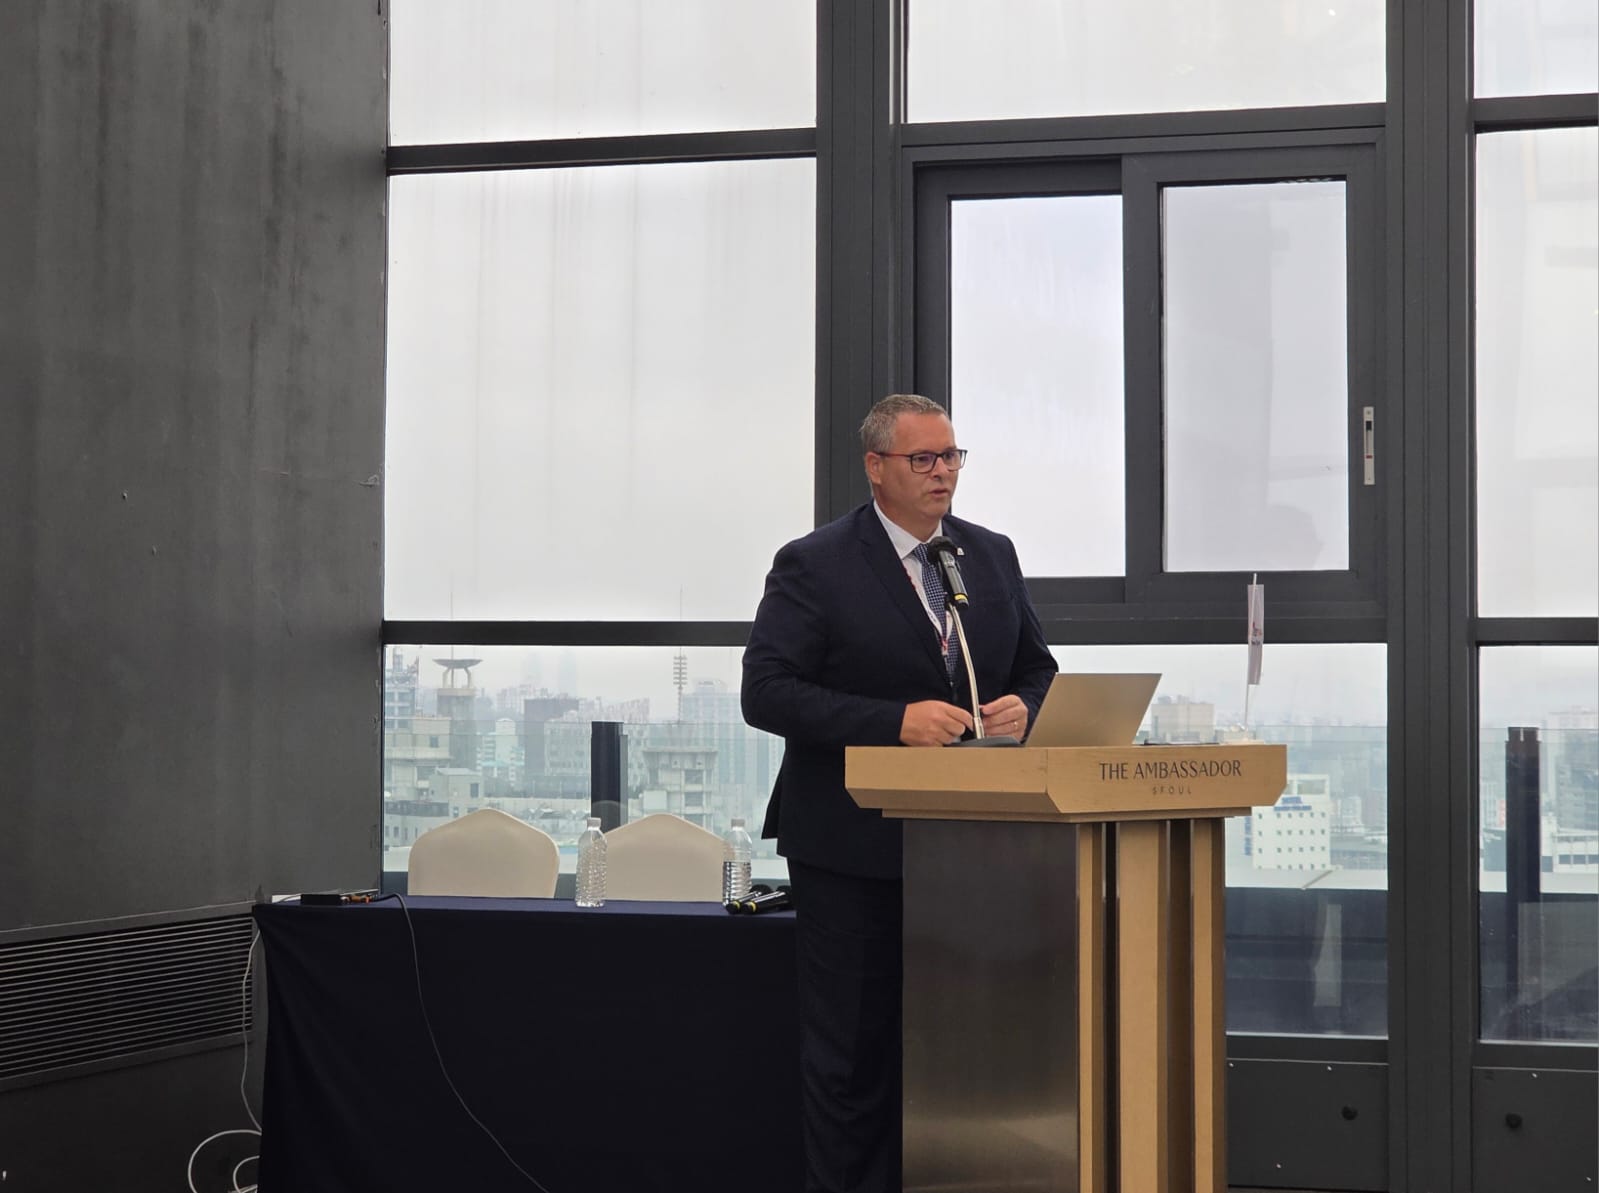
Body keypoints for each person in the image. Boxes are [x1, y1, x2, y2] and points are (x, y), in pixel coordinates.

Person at [742, 393, 1057, 1193]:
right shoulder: (814, 562)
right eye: (923, 458)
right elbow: (767, 693)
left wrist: (1025, 706)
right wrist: (892, 722)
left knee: (964, 1051)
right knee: (853, 1055)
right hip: (852, 847)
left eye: (951, 456)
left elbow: (1035, 667)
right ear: (875, 467)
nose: (942, 472)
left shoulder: (988, 554)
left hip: (972, 848)